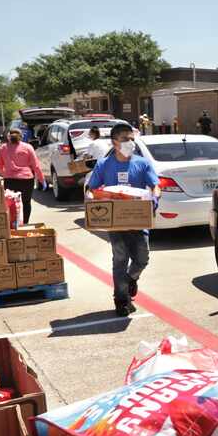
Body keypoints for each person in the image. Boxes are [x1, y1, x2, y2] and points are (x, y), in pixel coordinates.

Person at [86, 124, 160, 317]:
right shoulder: (104, 164)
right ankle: (121, 301)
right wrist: (91, 199)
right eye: (126, 139)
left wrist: (153, 198)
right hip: (115, 222)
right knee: (120, 259)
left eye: (132, 139)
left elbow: (155, 185)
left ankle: (129, 280)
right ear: (115, 142)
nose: (131, 143)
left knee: (142, 259)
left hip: (138, 221)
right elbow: (91, 188)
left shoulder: (142, 163)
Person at [0, 127, 47, 224]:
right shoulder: (28, 147)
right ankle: (26, 224)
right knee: (26, 202)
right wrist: (42, 179)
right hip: (26, 180)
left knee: (11, 203)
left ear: (8, 137)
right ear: (21, 137)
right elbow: (36, 165)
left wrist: (5, 174)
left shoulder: (3, 147)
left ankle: (13, 224)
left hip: (10, 180)